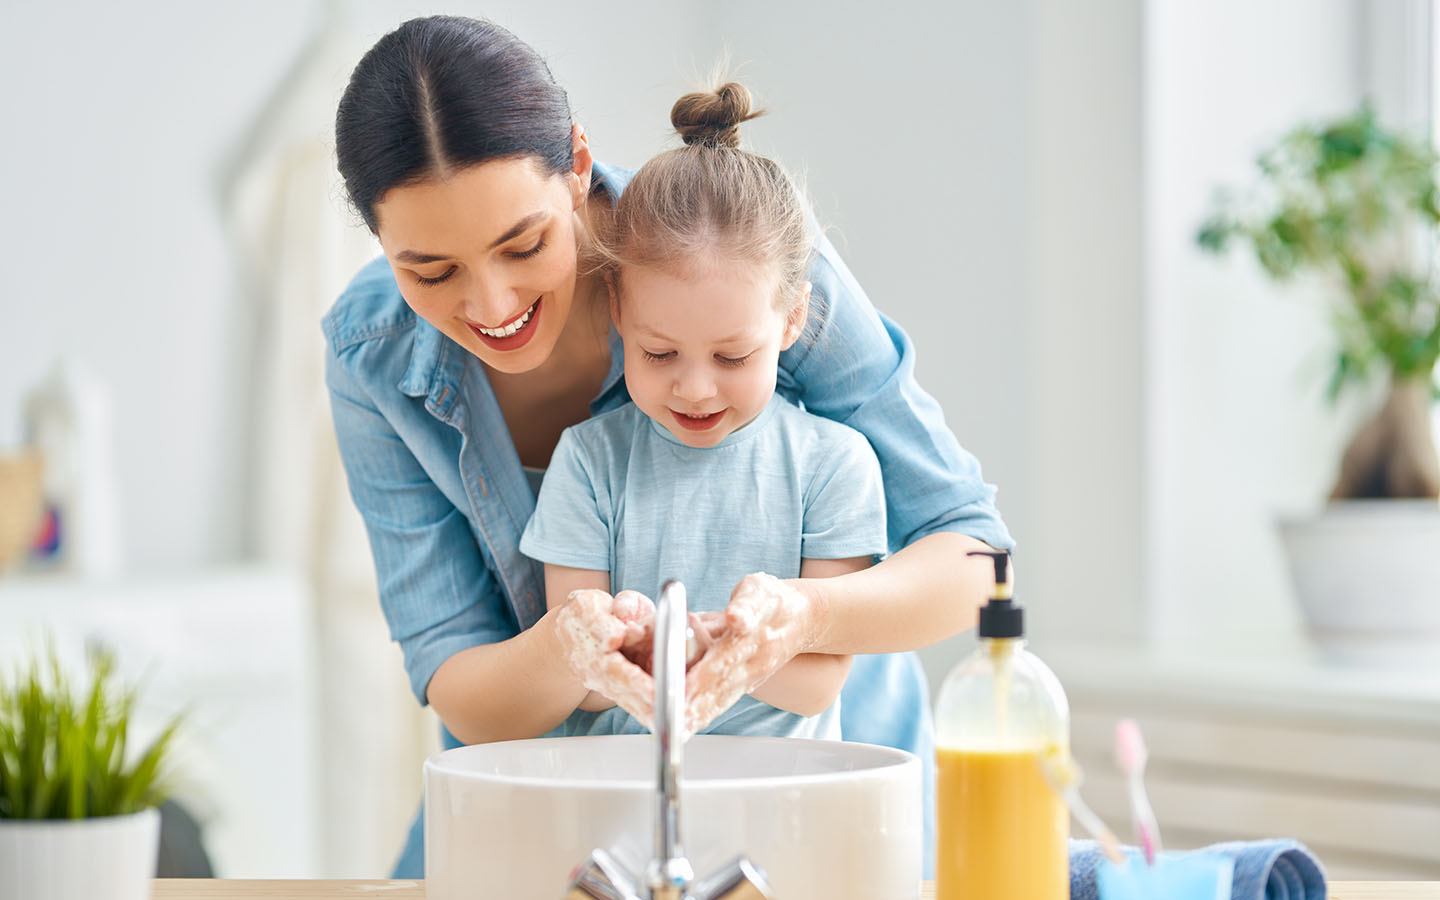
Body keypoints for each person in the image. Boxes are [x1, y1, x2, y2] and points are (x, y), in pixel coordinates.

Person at [324, 15, 1013, 878]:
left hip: (821, 785)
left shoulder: (742, 258)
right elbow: (454, 673)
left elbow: (977, 556)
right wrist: (564, 649)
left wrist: (806, 619)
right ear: (381, 244)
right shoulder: (373, 355)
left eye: (524, 243)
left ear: (576, 165)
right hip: (560, 786)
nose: (491, 301)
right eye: (430, 271)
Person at [520, 81, 887, 743]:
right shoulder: (590, 461)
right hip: (621, 797)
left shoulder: (834, 466)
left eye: (731, 357)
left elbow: (817, 685)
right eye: (659, 354)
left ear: (793, 319)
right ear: (619, 313)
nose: (695, 389)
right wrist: (621, 637)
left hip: (783, 803)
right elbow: (582, 674)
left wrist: (694, 645)